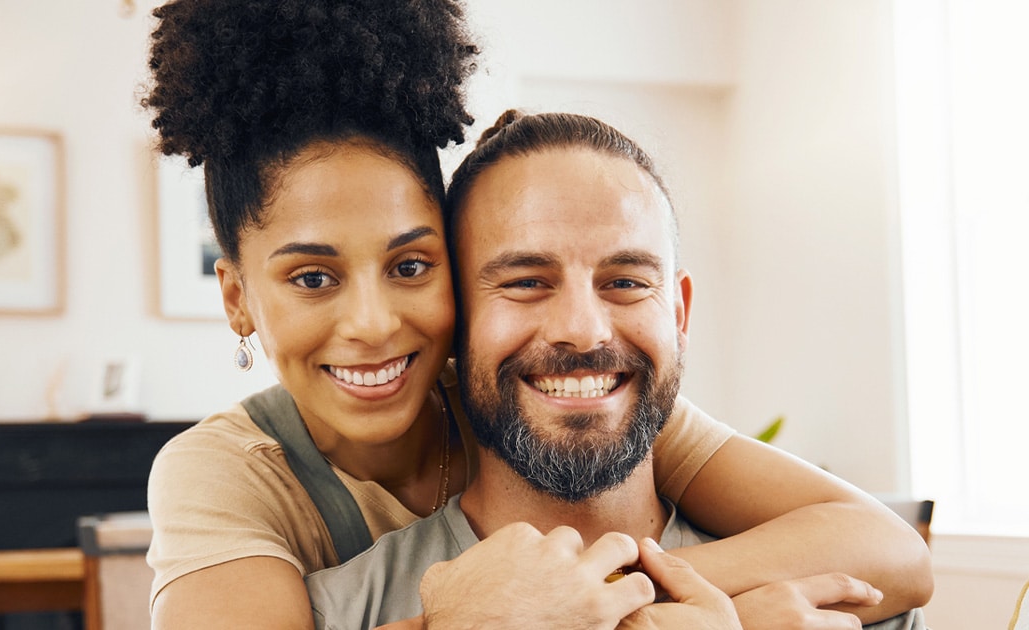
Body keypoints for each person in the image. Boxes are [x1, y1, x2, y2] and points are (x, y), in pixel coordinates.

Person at [140, 2, 932, 629]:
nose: (376, 323)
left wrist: (625, 600)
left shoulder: (544, 386)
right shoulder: (230, 475)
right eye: (313, 278)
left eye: (411, 266)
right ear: (238, 297)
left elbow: (889, 550)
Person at [304, 110, 928, 630]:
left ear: (678, 312)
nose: (584, 328)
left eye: (626, 282)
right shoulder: (341, 611)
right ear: (454, 319)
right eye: (526, 282)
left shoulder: (834, 602)